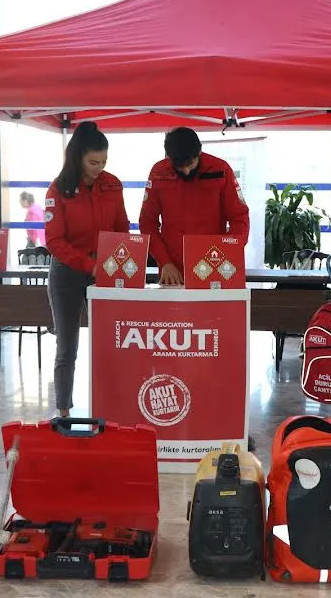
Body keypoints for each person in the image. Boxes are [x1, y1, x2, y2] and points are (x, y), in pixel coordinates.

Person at [44, 121, 129, 417]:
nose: (99, 167)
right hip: (67, 274)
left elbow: (121, 227)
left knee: (110, 344)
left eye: (104, 161)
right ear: (78, 157)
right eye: (93, 162)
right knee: (67, 347)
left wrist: (121, 260)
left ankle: (111, 407)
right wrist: (88, 264)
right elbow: (54, 241)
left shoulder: (113, 184)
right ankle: (64, 412)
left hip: (104, 273)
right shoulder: (58, 189)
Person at [138, 127, 250, 285]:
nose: (185, 170)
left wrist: (228, 253)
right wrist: (164, 262)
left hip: (215, 265)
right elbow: (147, 223)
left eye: (189, 163)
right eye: (178, 165)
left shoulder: (221, 170)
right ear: (169, 158)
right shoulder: (158, 173)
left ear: (199, 152)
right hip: (173, 271)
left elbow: (239, 218)